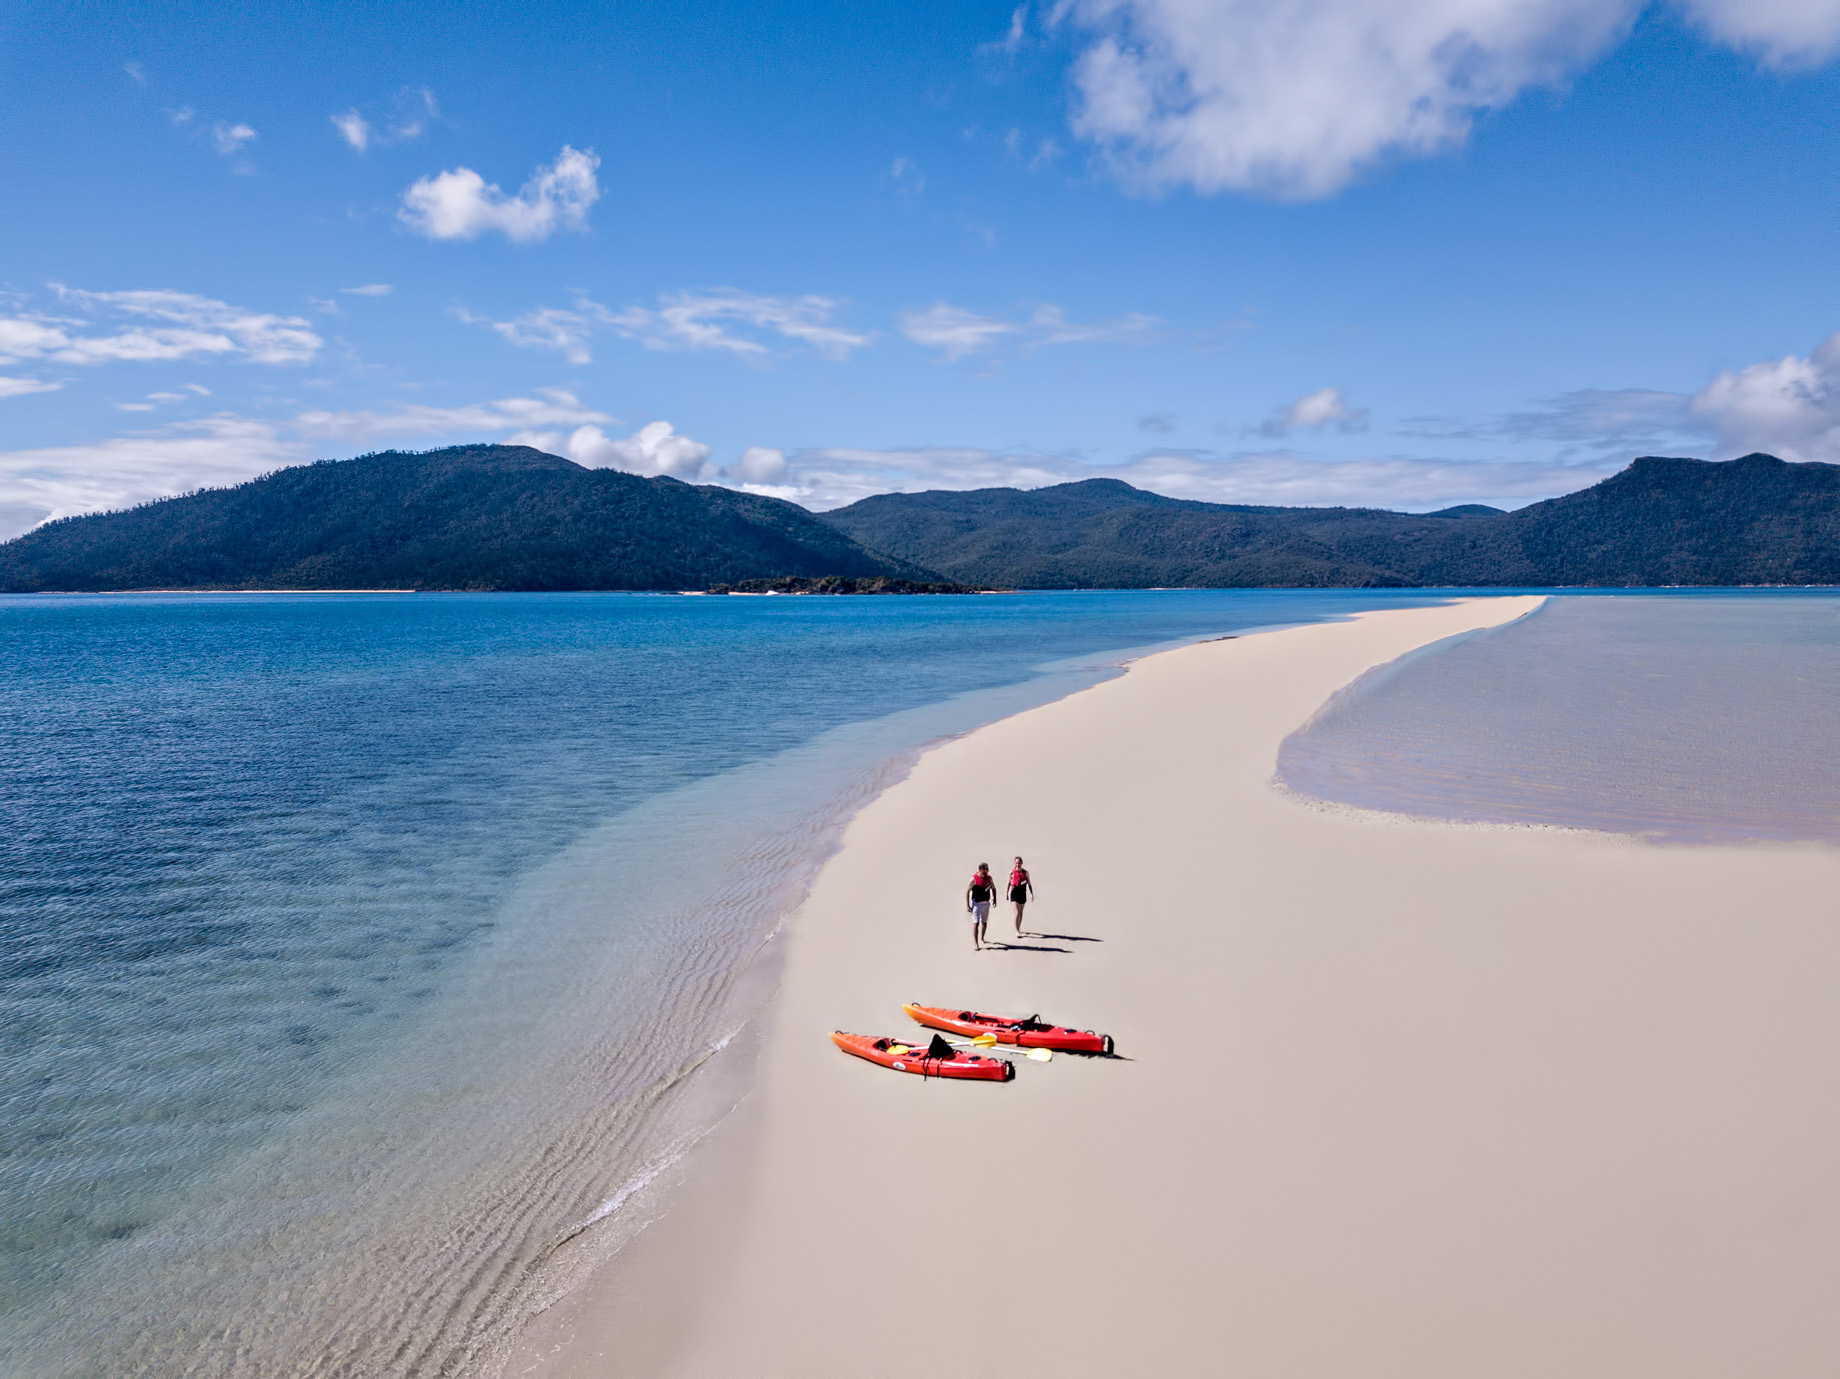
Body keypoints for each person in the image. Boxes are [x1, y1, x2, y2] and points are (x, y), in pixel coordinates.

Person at [965, 862, 996, 951]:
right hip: (976, 903)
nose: (988, 871)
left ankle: (982, 937)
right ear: (981, 870)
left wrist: (995, 899)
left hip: (986, 903)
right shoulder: (973, 879)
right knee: (976, 923)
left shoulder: (989, 878)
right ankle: (976, 943)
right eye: (986, 869)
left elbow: (993, 888)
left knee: (984, 922)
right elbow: (967, 891)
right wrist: (968, 905)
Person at [1008, 856, 1034, 936]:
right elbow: (1009, 883)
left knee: (1021, 913)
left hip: (1022, 895)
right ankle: (1016, 931)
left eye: (1019, 863)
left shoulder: (1025, 873)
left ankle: (1018, 928)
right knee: (1016, 913)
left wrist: (1032, 894)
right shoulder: (1011, 872)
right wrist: (1006, 893)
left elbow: (1029, 884)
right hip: (1014, 895)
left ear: (1021, 863)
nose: (1018, 865)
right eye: (1016, 863)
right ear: (1014, 863)